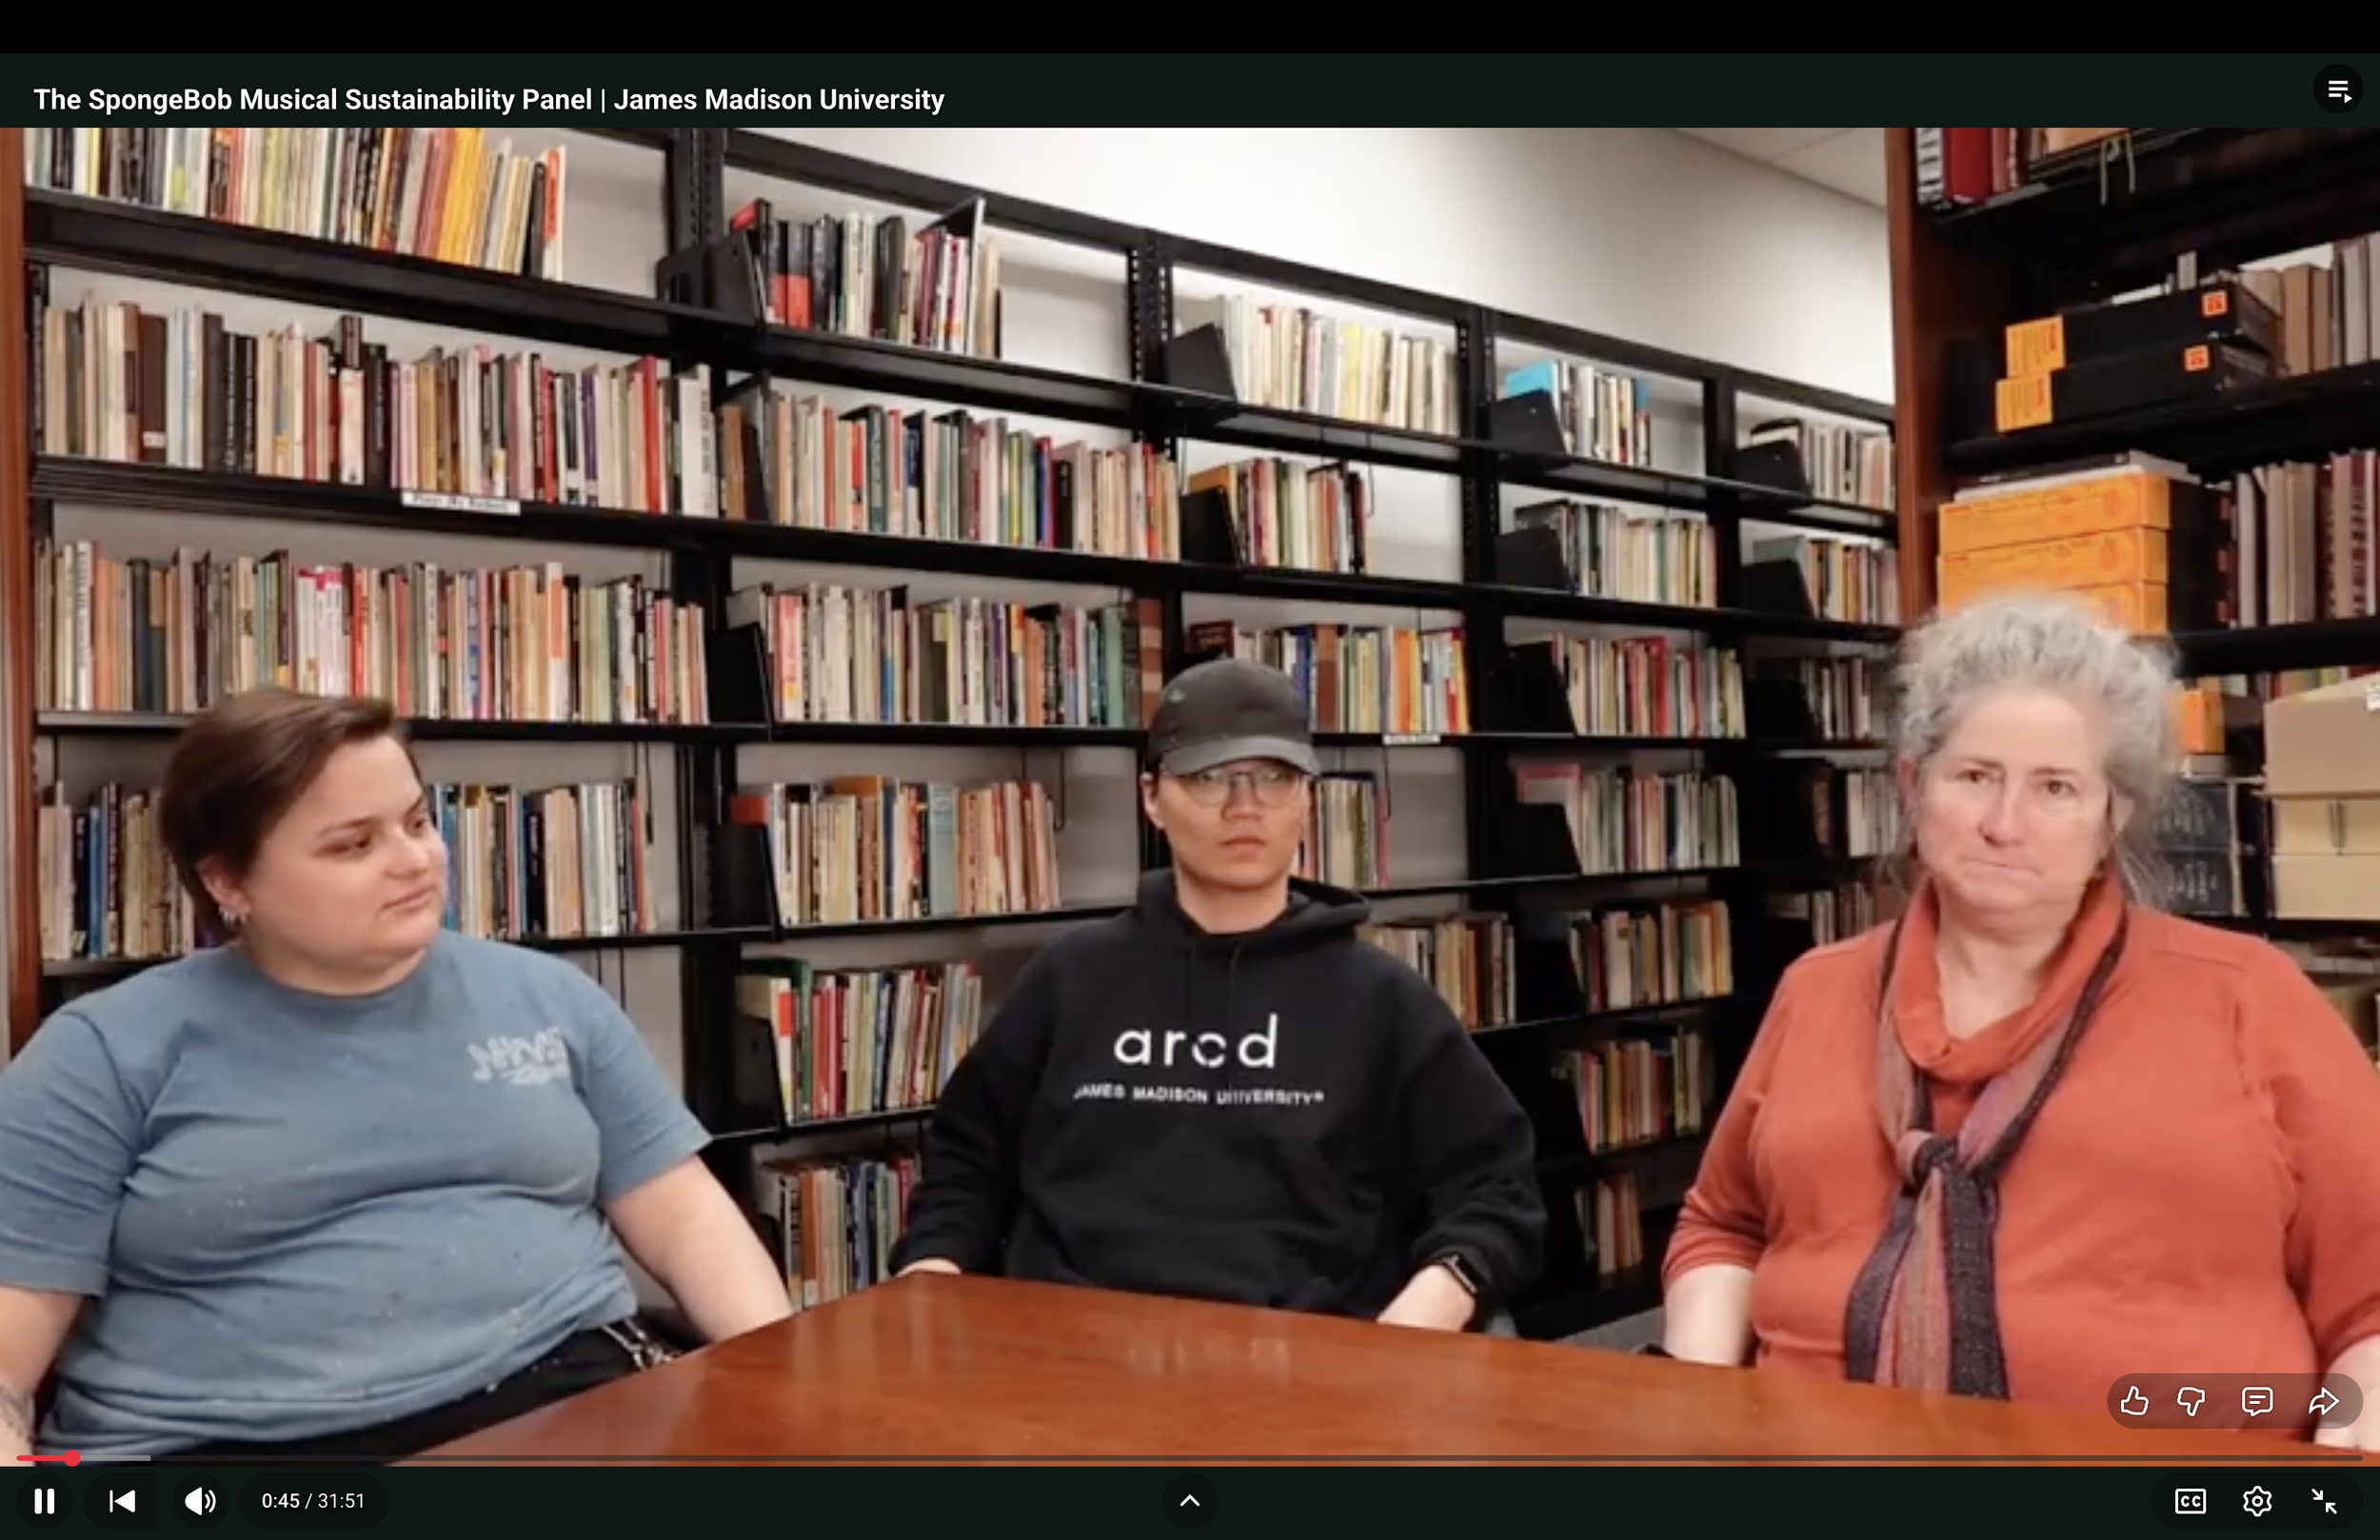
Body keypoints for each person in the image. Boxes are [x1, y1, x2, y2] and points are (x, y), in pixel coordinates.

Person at [1660, 591, 2380, 1449]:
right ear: (1912, 787)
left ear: (2112, 817)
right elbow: (1725, 1228)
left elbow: (2371, 1303)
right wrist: (1696, 1414)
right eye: (1975, 777)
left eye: (2056, 788)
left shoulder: (2248, 997)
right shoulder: (1816, 989)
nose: (2005, 825)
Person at [0, 689, 791, 1463]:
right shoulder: (101, 1053)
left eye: (417, 822)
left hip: (564, 1398)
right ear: (228, 883)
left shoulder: (548, 996)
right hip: (229, 1447)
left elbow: (685, 1217)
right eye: (353, 845)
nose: (416, 860)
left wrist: (787, 1382)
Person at [890, 656, 1546, 1329]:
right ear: (1151, 797)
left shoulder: (1384, 1001)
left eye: (1275, 777)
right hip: (1071, 1347)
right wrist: (934, 1267)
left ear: (1308, 800)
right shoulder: (1068, 980)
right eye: (1209, 778)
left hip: (1307, 1355)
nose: (1245, 806)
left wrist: (1417, 1319)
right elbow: (966, 1159)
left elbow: (1495, 1189)